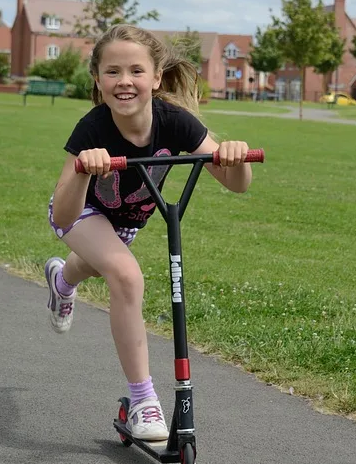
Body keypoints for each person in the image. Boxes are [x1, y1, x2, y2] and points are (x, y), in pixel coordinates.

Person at [45, 24, 252, 442]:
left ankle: (62, 280)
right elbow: (65, 214)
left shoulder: (176, 122)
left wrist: (234, 157)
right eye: (113, 72)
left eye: (136, 71)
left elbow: (238, 184)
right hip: (81, 211)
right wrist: (86, 168)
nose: (125, 81)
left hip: (124, 222)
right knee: (126, 275)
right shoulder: (92, 128)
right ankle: (144, 400)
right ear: (98, 80)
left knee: (95, 265)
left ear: (156, 78)